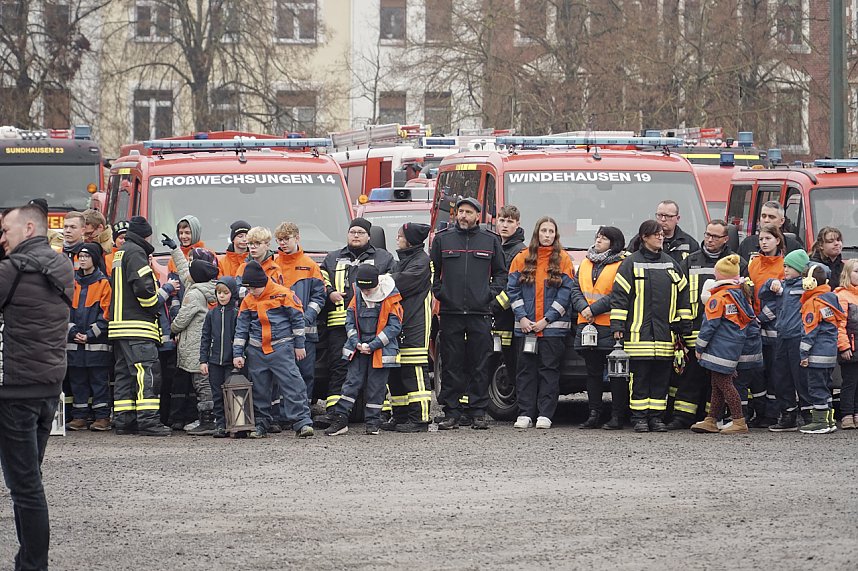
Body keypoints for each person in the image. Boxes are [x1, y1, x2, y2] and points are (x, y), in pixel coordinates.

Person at [0, 203, 74, 569]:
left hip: (15, 392)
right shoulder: (63, 267)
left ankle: (33, 565)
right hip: (48, 389)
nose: (2, 238)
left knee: (26, 488)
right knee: (29, 481)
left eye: (6, 231)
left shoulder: (11, 270)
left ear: (28, 228)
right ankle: (27, 560)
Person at [431, 197, 507, 430]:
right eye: (461, 211)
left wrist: (489, 295)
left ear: (477, 216)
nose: (463, 216)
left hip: (480, 312)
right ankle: (451, 412)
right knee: (451, 364)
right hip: (451, 312)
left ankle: (478, 412)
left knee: (480, 363)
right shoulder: (443, 239)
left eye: (469, 212)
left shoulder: (490, 240)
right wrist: (441, 293)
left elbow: (501, 274)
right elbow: (433, 271)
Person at [611, 219, 692, 432]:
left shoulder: (670, 264)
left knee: (661, 380)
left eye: (661, 234)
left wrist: (684, 322)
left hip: (665, 336)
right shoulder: (630, 264)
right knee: (639, 379)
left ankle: (656, 418)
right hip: (638, 336)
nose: (660, 237)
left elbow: (683, 294)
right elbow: (619, 297)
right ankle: (639, 418)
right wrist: (618, 326)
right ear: (644, 237)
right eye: (656, 234)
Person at [667, 220, 748, 430]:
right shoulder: (691, 260)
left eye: (715, 236)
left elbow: (746, 297)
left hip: (722, 333)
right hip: (695, 328)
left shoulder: (736, 263)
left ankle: (714, 417)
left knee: (718, 379)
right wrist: (683, 322)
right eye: (707, 234)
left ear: (725, 239)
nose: (709, 239)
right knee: (690, 376)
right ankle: (683, 417)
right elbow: (680, 293)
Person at [318, 218, 394, 425]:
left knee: (376, 368)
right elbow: (321, 279)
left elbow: (390, 284)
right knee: (339, 367)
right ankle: (335, 412)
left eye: (361, 232)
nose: (356, 236)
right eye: (353, 232)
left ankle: (381, 411)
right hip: (339, 324)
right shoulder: (332, 258)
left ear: (369, 236)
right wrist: (330, 292)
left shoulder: (383, 258)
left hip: (372, 324)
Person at [233, 261, 314, 439]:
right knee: (259, 390)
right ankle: (260, 424)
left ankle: (302, 423)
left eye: (253, 288)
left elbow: (298, 321)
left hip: (281, 348)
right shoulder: (248, 300)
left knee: (293, 385)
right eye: (248, 288)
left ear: (262, 283)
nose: (251, 292)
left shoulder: (283, 294)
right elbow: (241, 329)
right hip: (256, 350)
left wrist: (299, 345)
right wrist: (238, 353)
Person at [507, 217, 575, 429]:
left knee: (549, 372)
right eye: (544, 231)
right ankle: (525, 413)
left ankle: (545, 414)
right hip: (526, 328)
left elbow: (566, 293)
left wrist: (546, 320)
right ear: (537, 233)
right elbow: (512, 290)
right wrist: (523, 317)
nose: (547, 235)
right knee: (525, 372)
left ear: (556, 235)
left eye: (551, 231)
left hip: (552, 330)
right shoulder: (522, 258)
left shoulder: (563, 259)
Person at [108, 216, 171, 436]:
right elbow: (144, 289)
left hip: (119, 327)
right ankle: (148, 421)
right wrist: (157, 301)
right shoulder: (136, 252)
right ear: (147, 235)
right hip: (138, 326)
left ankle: (124, 420)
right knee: (147, 373)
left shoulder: (121, 252)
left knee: (125, 375)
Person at [324, 265, 403, 436]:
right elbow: (350, 321)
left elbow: (394, 327)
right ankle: (341, 419)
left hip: (381, 351)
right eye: (363, 289)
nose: (366, 293)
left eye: (369, 289)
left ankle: (373, 423)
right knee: (350, 384)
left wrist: (372, 345)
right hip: (359, 349)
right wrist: (356, 343)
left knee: (376, 387)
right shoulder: (358, 295)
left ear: (377, 284)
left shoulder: (391, 296)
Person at [689, 255, 754, 434]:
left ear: (718, 274)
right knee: (717, 384)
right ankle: (711, 419)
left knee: (725, 385)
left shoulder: (718, 297)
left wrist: (699, 347)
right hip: (733, 347)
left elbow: (709, 326)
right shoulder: (739, 294)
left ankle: (739, 420)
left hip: (719, 348)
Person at [570, 226, 627, 429]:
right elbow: (575, 289)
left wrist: (592, 309)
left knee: (616, 375)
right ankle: (593, 414)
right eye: (598, 237)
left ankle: (617, 416)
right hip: (587, 326)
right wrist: (583, 308)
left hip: (610, 326)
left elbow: (618, 293)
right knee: (592, 373)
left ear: (614, 243)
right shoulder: (586, 262)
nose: (598, 240)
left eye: (604, 238)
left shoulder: (622, 264)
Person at [385, 222, 433, 432]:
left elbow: (400, 283)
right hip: (400, 322)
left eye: (400, 236)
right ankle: (400, 415)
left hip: (415, 323)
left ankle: (420, 419)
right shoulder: (403, 260)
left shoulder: (422, 262)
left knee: (414, 370)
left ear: (410, 241)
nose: (397, 239)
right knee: (396, 371)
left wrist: (383, 280)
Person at [275, 221, 326, 409]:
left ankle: (302, 413)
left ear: (297, 238)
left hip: (305, 333)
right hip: (279, 331)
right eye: (279, 240)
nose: (282, 243)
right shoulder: (274, 264)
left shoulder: (309, 265)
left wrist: (306, 317)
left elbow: (319, 296)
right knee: (281, 375)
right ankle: (283, 414)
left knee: (305, 374)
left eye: (286, 239)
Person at [170, 248, 219, 436]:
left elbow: (182, 319)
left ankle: (208, 420)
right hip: (202, 345)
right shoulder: (205, 287)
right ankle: (207, 418)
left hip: (194, 346)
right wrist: (175, 250)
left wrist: (173, 329)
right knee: (204, 381)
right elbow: (185, 271)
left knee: (201, 383)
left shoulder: (194, 294)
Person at [759, 248, 809, 431]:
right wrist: (770, 283)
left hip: (798, 338)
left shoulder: (805, 288)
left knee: (801, 378)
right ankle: (788, 415)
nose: (785, 269)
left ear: (801, 269)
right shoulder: (783, 287)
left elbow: (823, 274)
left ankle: (809, 415)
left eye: (789, 266)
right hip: (781, 337)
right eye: (785, 265)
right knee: (781, 376)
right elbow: (762, 294)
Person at [66, 242, 113, 432]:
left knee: (99, 381)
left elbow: (107, 314)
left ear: (94, 259)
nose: (82, 260)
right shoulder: (72, 283)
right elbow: (65, 310)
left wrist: (89, 335)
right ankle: (79, 417)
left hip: (96, 344)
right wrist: (72, 331)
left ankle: (102, 417)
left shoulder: (103, 283)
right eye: (81, 257)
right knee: (77, 382)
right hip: (75, 344)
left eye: (86, 256)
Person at [746, 224, 787, 427]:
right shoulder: (754, 263)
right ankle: (759, 411)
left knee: (773, 372)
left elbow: (781, 301)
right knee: (756, 372)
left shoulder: (784, 266)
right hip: (754, 325)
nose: (763, 242)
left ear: (777, 240)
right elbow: (748, 290)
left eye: (768, 238)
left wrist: (761, 317)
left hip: (773, 327)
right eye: (761, 239)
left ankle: (771, 414)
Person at [798, 264, 845, 434]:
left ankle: (820, 422)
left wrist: (803, 354)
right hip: (829, 354)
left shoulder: (813, 303)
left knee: (816, 388)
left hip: (816, 354)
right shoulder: (830, 299)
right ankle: (829, 421)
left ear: (809, 283)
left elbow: (809, 332)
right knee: (825, 387)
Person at [491, 205, 526, 399]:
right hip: (497, 316)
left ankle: (519, 403)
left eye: (510, 221)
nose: (505, 225)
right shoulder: (496, 246)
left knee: (513, 362)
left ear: (517, 224)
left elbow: (513, 286)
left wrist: (495, 305)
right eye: (502, 220)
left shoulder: (519, 251)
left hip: (509, 317)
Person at [199, 277, 240, 438]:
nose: (221, 296)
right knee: (217, 394)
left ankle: (234, 424)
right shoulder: (211, 314)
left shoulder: (236, 313)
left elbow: (241, 337)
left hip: (231, 361)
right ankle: (221, 424)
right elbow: (205, 337)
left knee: (232, 393)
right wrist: (203, 360)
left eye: (225, 292)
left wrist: (239, 355)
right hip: (215, 361)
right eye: (219, 293)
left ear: (232, 293)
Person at [629, 200, 699, 264]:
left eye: (668, 216)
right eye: (659, 215)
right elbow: (628, 261)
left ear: (677, 219)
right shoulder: (642, 239)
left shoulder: (690, 243)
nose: (663, 219)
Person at [835, 258, 858, 429]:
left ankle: (856, 413)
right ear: (847, 274)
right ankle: (847, 414)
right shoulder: (841, 295)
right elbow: (839, 324)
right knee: (849, 382)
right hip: (850, 347)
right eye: (856, 271)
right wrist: (843, 346)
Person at [738, 201, 803, 260]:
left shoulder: (794, 248)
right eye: (763, 216)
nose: (766, 220)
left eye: (771, 217)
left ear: (782, 221)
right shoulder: (747, 244)